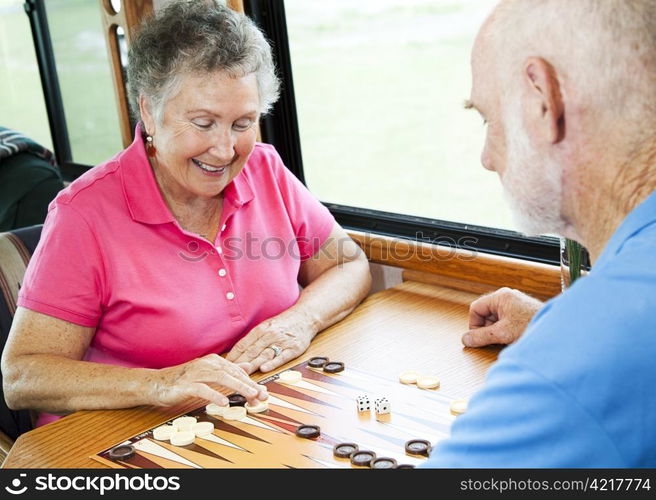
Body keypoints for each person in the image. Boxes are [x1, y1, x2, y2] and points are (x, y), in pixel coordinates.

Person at [1, 1, 371, 428]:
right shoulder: (82, 215)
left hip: (251, 413)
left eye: (242, 123)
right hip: (122, 437)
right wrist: (160, 383)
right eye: (203, 122)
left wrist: (299, 321)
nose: (225, 150)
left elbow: (348, 264)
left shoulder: (265, 168)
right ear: (149, 111)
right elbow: (23, 375)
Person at [424, 0, 656, 467]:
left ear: (542, 100)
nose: (487, 158)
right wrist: (556, 323)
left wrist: (569, 341)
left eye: (488, 119)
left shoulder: (577, 360)